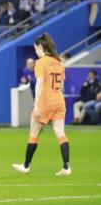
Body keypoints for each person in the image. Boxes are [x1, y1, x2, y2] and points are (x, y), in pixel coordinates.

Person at [12, 33, 71, 176]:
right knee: (60, 134)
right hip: (59, 101)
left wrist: (37, 104)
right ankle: (67, 167)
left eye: (35, 49)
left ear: (40, 47)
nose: (36, 52)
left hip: (45, 101)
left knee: (34, 134)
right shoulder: (59, 62)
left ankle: (26, 166)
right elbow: (62, 86)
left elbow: (39, 84)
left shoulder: (41, 62)